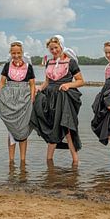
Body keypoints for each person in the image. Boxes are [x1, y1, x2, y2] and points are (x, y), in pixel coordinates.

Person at [30, 35, 84, 166]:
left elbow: (81, 81)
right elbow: (47, 82)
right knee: (52, 127)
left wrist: (68, 85)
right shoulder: (49, 62)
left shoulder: (71, 62)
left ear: (61, 46)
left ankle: (75, 161)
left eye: (56, 48)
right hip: (50, 98)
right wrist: (39, 88)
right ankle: (49, 161)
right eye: (51, 49)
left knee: (68, 128)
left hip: (64, 98)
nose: (54, 51)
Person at [0, 40, 36, 163]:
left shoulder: (29, 67)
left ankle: (23, 160)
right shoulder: (7, 66)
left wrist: (32, 99)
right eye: (14, 53)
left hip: (24, 99)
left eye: (18, 53)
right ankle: (11, 160)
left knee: (23, 129)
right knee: (11, 130)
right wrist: (2, 97)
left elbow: (32, 85)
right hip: (9, 100)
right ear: (10, 53)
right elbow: (2, 83)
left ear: (22, 52)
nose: (16, 55)